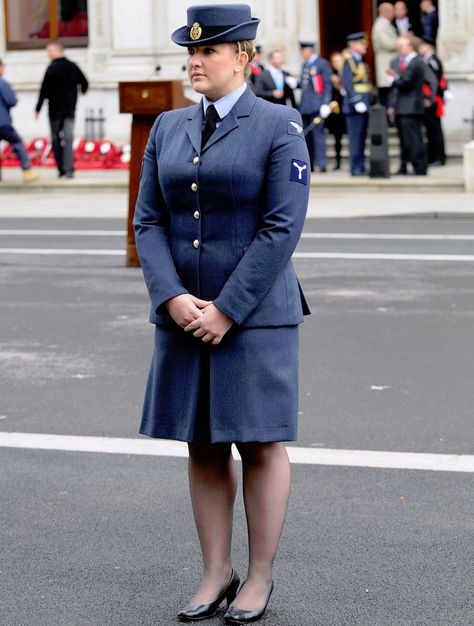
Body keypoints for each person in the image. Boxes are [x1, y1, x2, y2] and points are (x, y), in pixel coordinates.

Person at [133, 4, 311, 624]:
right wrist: (172, 296)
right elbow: (148, 221)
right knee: (202, 444)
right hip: (184, 314)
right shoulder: (168, 127)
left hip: (256, 316)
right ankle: (216, 572)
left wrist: (228, 309)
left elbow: (281, 227)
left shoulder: (281, 125)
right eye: (191, 50)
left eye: (209, 51)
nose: (195, 60)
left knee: (259, 444)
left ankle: (259, 577)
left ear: (244, 57)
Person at [35, 42, 88, 178]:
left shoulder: (52, 68)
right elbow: (85, 82)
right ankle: (69, 169)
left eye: (49, 51)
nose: (48, 54)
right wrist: (82, 91)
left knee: (56, 138)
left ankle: (61, 169)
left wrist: (38, 108)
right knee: (68, 138)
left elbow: (44, 90)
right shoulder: (73, 66)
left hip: (55, 111)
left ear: (55, 52)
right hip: (70, 109)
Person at [387, 35, 428, 175]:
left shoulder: (416, 62)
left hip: (411, 107)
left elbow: (406, 82)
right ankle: (404, 166)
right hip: (402, 107)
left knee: (414, 139)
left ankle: (420, 166)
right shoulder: (400, 62)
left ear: (410, 46)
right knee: (404, 140)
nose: (398, 49)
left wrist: (394, 77)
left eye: (401, 46)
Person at [0, 59, 39, 182]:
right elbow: (11, 100)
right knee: (17, 143)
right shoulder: (2, 83)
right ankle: (27, 170)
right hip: (2, 122)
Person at [341, 32, 373, 176]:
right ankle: (355, 166)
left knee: (361, 137)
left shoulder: (360, 61)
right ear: (353, 45)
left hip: (364, 103)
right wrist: (356, 101)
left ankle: (361, 164)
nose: (365, 45)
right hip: (355, 106)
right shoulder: (349, 61)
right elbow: (347, 83)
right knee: (355, 137)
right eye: (361, 43)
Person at [298, 41, 332, 172]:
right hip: (305, 106)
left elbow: (327, 86)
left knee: (318, 136)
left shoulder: (321, 64)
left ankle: (322, 164)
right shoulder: (305, 65)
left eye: (303, 51)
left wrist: (325, 103)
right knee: (307, 138)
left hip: (317, 105)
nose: (301, 54)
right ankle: (309, 164)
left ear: (310, 51)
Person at [419, 35, 446, 165]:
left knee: (435, 130)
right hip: (428, 98)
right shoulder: (426, 60)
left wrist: (430, 98)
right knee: (429, 130)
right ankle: (432, 156)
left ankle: (439, 158)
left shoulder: (432, 60)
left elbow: (434, 81)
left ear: (428, 46)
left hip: (432, 99)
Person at [372, 2, 398, 108]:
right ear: (386, 12)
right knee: (387, 95)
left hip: (390, 63)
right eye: (393, 11)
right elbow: (388, 44)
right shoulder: (380, 26)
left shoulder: (386, 24)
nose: (395, 14)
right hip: (385, 64)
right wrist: (402, 41)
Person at [325, 51, 345, 170]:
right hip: (335, 110)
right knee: (337, 137)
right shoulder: (330, 75)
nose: (337, 64)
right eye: (335, 62)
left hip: (345, 108)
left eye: (339, 61)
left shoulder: (347, 73)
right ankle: (337, 162)